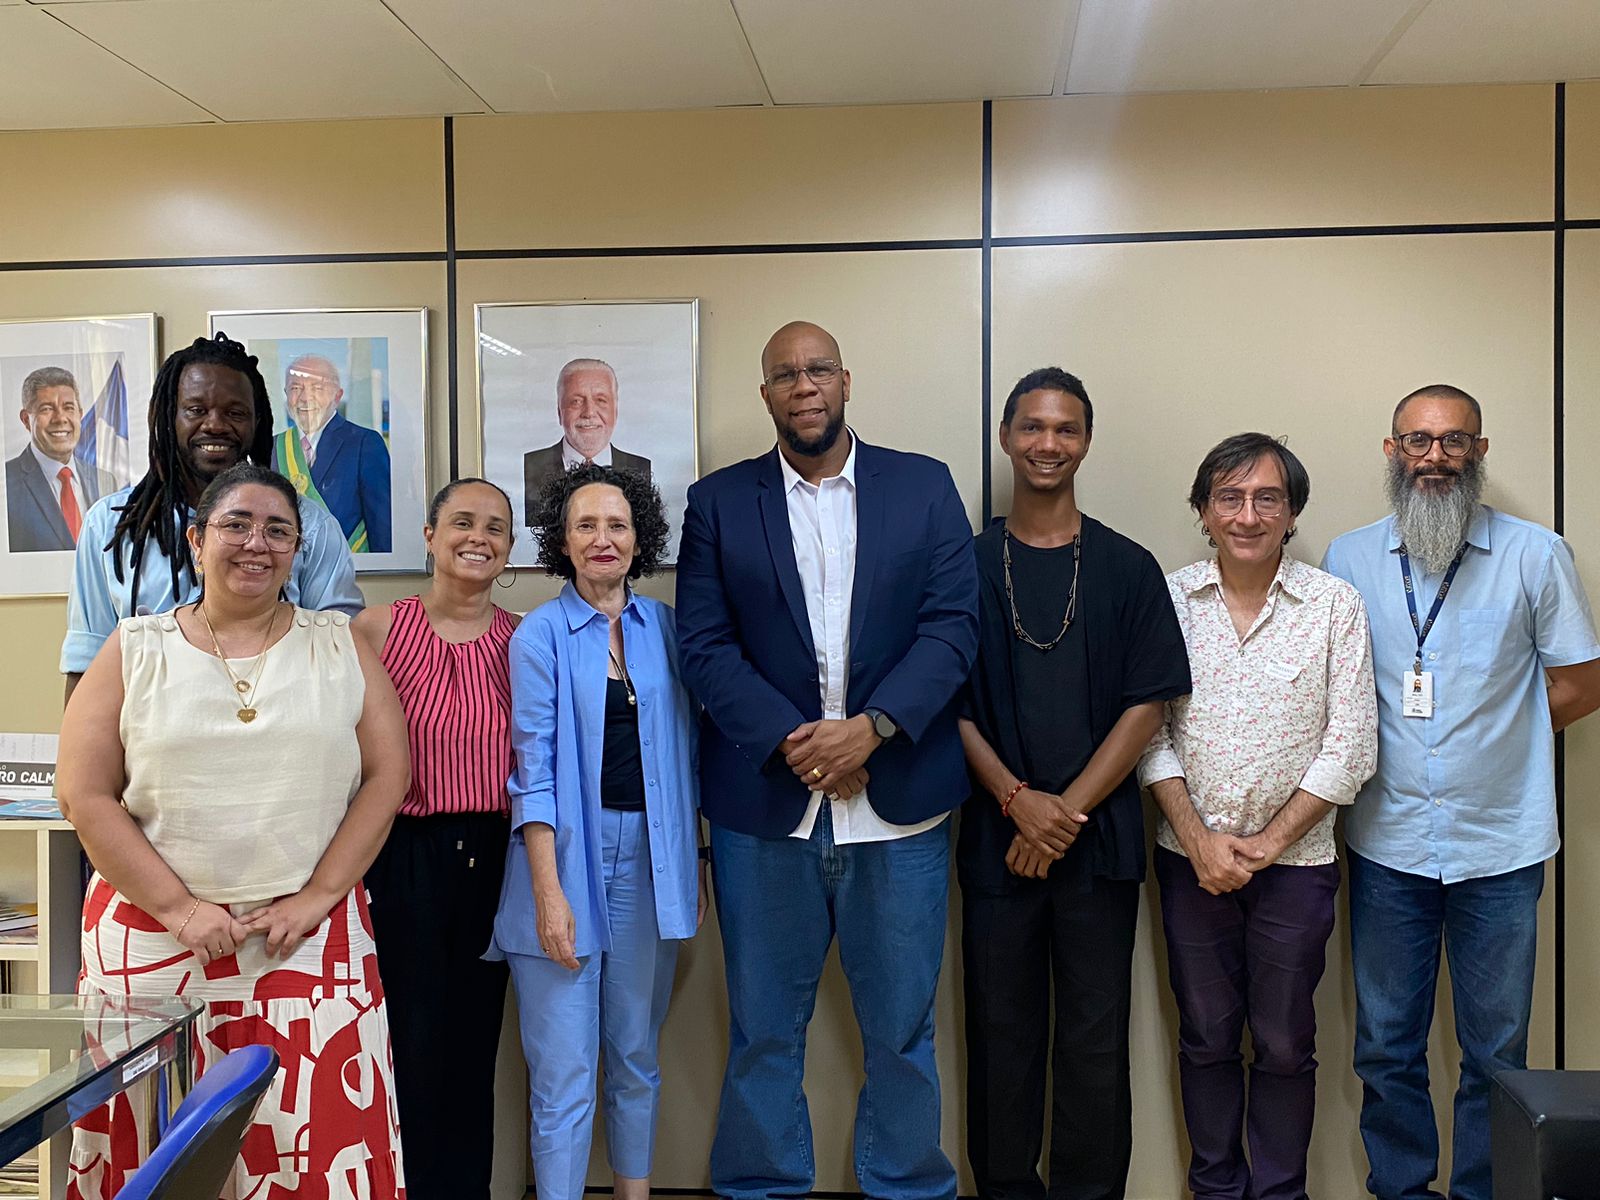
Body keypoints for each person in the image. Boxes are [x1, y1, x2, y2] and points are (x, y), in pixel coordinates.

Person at [676, 320, 978, 1200]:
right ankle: (761, 1186)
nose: (803, 386)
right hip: (767, 809)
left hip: (900, 807)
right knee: (764, 1032)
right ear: (765, 394)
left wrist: (872, 729)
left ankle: (907, 1186)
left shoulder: (923, 486)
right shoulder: (718, 503)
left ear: (846, 381)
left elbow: (953, 627)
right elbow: (704, 645)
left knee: (903, 1033)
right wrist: (800, 743)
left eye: (818, 370)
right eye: (785, 374)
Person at [56, 461, 410, 1200]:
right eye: (236, 525)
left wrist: (318, 896)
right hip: (155, 947)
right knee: (159, 1157)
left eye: (278, 530)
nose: (257, 543)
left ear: (298, 550)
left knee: (312, 1149)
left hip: (306, 941)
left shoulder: (338, 644)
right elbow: (83, 794)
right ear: (196, 540)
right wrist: (180, 910)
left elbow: (388, 778)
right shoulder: (135, 645)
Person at [1321, 384, 1600, 1200]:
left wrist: (1501, 733)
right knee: (1386, 1047)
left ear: (1480, 451)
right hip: (1387, 842)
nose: (1434, 456)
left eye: (1453, 440)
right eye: (1418, 440)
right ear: (1392, 451)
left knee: (1496, 1053)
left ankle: (1484, 1193)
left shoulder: (1535, 554)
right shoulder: (1348, 558)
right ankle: (1402, 1191)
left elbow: (1581, 683)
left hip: (1501, 843)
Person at [957, 367, 1190, 1200]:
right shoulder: (964, 566)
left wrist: (1063, 815)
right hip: (997, 845)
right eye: (1032, 426)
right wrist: (1017, 802)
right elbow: (946, 702)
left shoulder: (1128, 567)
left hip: (1099, 849)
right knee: (1000, 1039)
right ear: (1006, 437)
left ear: (1086, 441)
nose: (1047, 443)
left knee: (1095, 1044)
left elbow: (1148, 705)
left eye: (1066, 429)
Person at [1139, 433, 1376, 1200]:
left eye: (1267, 498)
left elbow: (1352, 743)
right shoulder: (1168, 600)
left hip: (1298, 868)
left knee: (1282, 1043)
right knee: (1206, 1036)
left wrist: (1270, 843)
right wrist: (1200, 840)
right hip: (1191, 864)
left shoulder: (1334, 605)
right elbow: (1148, 732)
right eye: (1230, 498)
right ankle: (1215, 1188)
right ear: (1204, 511)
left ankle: (1279, 1193)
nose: (1248, 515)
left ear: (1292, 512)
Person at [490, 463, 703, 1200]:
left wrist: (694, 863)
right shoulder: (539, 636)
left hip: (651, 861)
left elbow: (686, 758)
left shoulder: (666, 629)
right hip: (563, 860)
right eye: (585, 525)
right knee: (565, 1073)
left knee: (636, 1056)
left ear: (640, 537)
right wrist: (550, 895)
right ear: (563, 540)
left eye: (617, 524)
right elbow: (533, 774)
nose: (602, 538)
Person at [354, 477, 519, 1200]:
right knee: (409, 1043)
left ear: (510, 549)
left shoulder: (525, 639)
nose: (477, 538)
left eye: (495, 528)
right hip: (402, 856)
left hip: (498, 860)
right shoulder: (375, 630)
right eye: (462, 522)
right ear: (430, 536)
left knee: (475, 1046)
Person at [61, 333, 361, 700]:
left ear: (258, 422)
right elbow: (86, 667)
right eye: (196, 410)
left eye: (235, 413)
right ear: (169, 417)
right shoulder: (109, 526)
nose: (215, 424)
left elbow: (341, 657)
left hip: (281, 726)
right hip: (149, 733)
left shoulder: (309, 526)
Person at [273, 353, 393, 553]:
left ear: (337, 396)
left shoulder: (365, 443)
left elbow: (382, 526)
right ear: (286, 394)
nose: (305, 398)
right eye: (296, 388)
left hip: (349, 567)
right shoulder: (273, 447)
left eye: (317, 388)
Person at [522, 358, 652, 522]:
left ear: (615, 410)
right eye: (576, 401)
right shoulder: (532, 466)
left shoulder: (639, 468)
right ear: (559, 412)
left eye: (601, 400)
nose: (589, 412)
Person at [6, 366, 113, 552]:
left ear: (80, 415)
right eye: (47, 409)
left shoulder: (105, 480)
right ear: (26, 419)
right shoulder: (6, 482)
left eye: (68, 408)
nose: (60, 418)